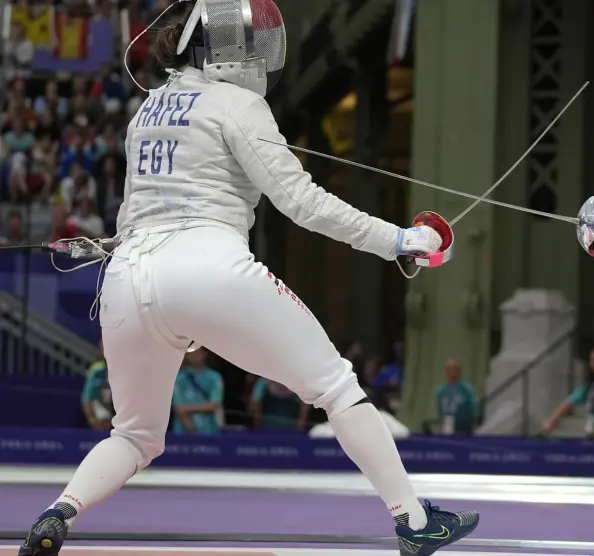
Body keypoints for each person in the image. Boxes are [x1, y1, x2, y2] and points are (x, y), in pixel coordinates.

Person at [16, 2, 477, 555]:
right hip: (208, 268)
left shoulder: (148, 110)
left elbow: (139, 211)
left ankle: (57, 513)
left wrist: (117, 244)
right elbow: (302, 202)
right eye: (247, 41)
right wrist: (400, 240)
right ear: (220, 46)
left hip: (125, 280)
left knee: (134, 434)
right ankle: (415, 522)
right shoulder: (239, 102)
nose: (257, 54)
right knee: (337, 387)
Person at [171, 348, 224, 436]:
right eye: (190, 353)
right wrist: (189, 425)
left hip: (208, 430)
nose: (193, 356)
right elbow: (178, 407)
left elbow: (214, 405)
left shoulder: (215, 377)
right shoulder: (179, 378)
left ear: (204, 354)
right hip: (182, 431)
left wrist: (186, 409)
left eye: (196, 353)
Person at [434, 359, 479, 436]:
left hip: (464, 428)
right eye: (448, 369)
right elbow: (440, 410)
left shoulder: (466, 389)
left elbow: (474, 407)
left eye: (453, 369)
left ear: (459, 371)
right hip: (448, 426)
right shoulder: (441, 391)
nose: (451, 371)